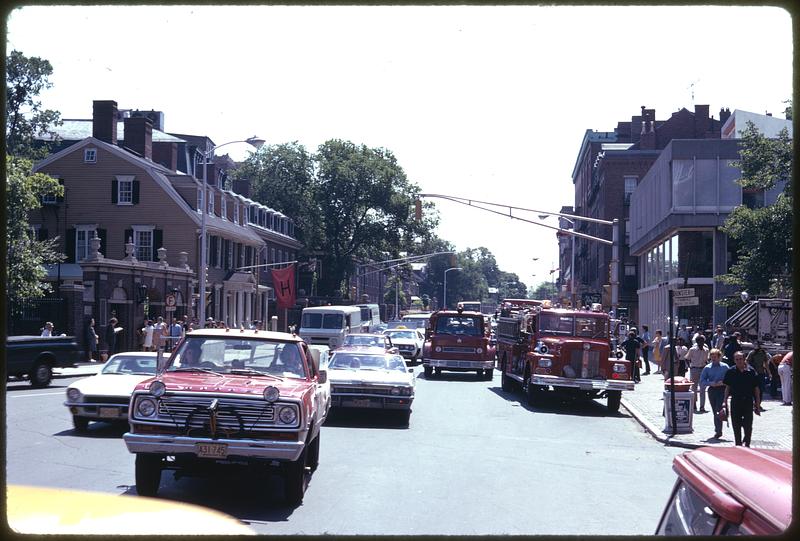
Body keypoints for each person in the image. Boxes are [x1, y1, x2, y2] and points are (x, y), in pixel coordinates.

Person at [723, 351, 761, 447]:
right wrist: (724, 402)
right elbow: (727, 388)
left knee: (748, 425)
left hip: (748, 401)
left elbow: (756, 389)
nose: (739, 361)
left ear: (744, 359)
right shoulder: (731, 372)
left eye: (741, 359)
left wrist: (757, 404)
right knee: (736, 424)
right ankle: (738, 444)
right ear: (734, 360)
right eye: (737, 359)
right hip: (735, 401)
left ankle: (747, 442)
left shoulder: (751, 371)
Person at [699, 348, 730, 439]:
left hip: (722, 390)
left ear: (719, 357)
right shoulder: (707, 368)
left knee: (718, 409)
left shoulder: (725, 367)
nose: (713, 359)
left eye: (715, 357)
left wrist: (723, 382)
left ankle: (718, 430)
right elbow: (702, 381)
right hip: (712, 390)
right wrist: (710, 383)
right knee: (715, 411)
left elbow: (730, 378)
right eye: (712, 357)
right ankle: (718, 429)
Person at [684, 335, 710, 412]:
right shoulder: (692, 350)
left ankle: (702, 406)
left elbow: (707, 360)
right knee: (694, 388)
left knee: (703, 388)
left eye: (702, 341)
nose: (701, 343)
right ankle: (694, 404)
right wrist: (689, 367)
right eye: (700, 341)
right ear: (697, 342)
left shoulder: (706, 350)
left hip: (703, 369)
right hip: (694, 369)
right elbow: (686, 358)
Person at [746, 341, 769, 409]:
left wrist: (769, 372)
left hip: (758, 374)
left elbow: (746, 362)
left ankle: (757, 404)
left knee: (758, 389)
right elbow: (747, 362)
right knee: (758, 389)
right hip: (757, 373)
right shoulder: (756, 353)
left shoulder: (756, 353)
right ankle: (756, 404)